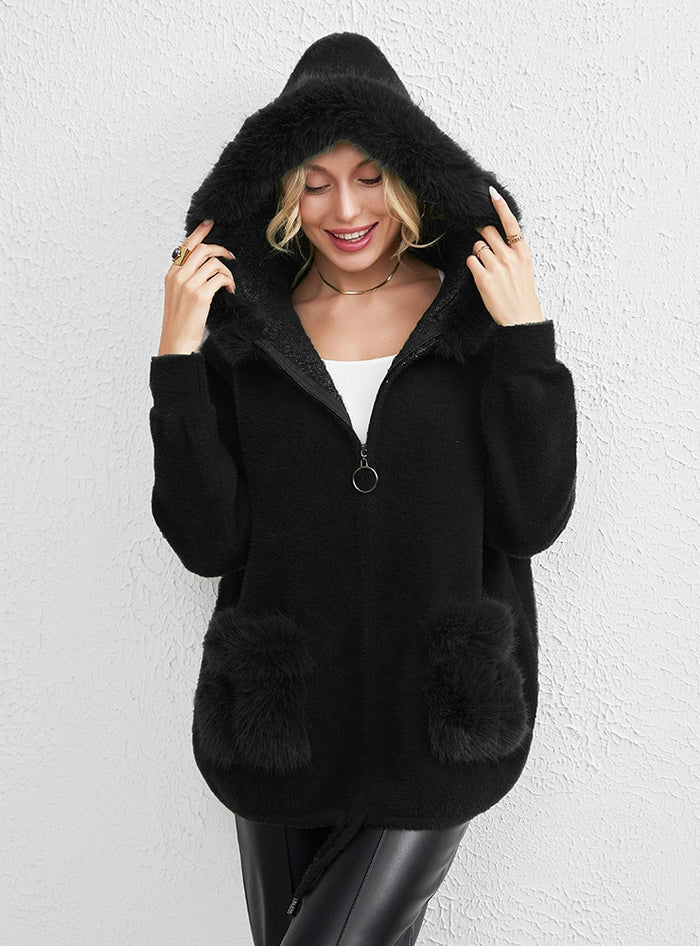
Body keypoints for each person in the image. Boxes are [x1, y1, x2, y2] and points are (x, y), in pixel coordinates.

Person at [148, 32, 577, 946]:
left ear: (410, 175)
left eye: (371, 175)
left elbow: (532, 518)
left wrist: (526, 341)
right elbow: (208, 543)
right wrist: (178, 362)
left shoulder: (474, 317)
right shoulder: (247, 336)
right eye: (315, 182)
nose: (345, 208)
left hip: (437, 722)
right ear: (281, 191)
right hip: (281, 725)